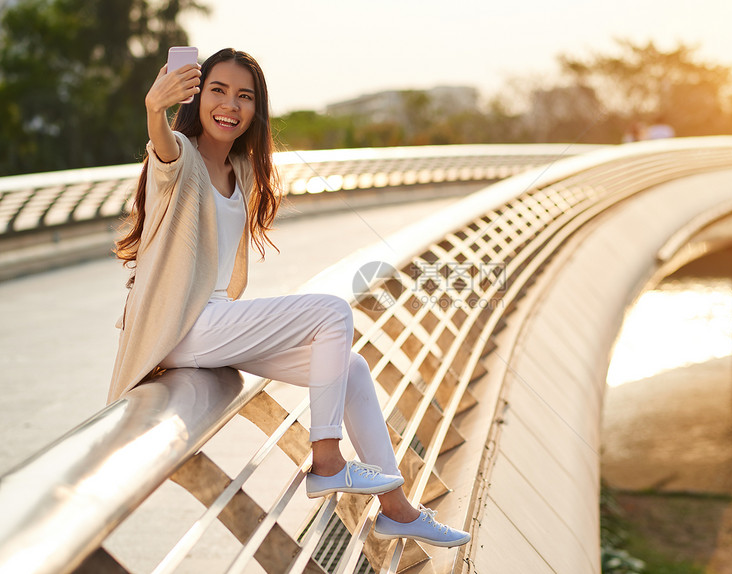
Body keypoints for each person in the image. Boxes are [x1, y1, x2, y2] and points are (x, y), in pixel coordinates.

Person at [109, 47, 470, 548]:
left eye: (244, 97)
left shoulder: (242, 170)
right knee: (330, 313)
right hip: (182, 328)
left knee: (350, 367)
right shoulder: (182, 157)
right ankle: (326, 460)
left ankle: (399, 511)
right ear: (195, 95)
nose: (230, 105)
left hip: (214, 322)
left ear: (256, 110)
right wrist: (155, 110)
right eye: (217, 90)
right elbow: (163, 150)